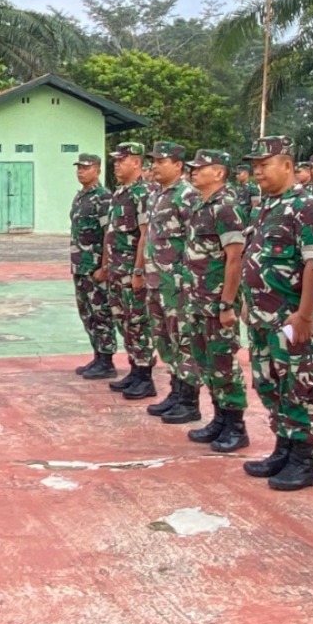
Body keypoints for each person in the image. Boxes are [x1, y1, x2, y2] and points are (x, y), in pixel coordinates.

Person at [239, 136, 313, 491]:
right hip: (262, 317)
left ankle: (304, 460)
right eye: (255, 165)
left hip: (290, 318)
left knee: (298, 386)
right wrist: (247, 300)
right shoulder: (265, 205)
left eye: (265, 164)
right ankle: (284, 447)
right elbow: (256, 254)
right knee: (269, 383)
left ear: (288, 165)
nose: (258, 171)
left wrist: (305, 315)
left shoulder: (306, 206)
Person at [182, 150, 250, 452]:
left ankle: (236, 425)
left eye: (201, 168)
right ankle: (220, 418)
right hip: (197, 300)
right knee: (206, 363)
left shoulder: (226, 207)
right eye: (193, 168)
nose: (194, 172)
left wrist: (227, 303)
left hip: (216, 302)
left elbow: (234, 258)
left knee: (224, 364)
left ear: (219, 173)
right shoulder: (200, 204)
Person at [137, 142, 204, 424]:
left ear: (178, 165)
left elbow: (195, 239)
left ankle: (189, 400)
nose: (155, 165)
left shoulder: (187, 195)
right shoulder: (157, 194)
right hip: (157, 281)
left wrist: (188, 279)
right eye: (153, 161)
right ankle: (176, 392)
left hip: (177, 284)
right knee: (165, 340)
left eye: (161, 161)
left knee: (184, 340)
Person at [101, 142, 158, 400]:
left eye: (120, 160)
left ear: (136, 162)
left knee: (138, 323)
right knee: (124, 322)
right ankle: (135, 370)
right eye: (114, 161)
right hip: (116, 271)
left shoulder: (143, 192)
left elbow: (145, 234)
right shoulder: (120, 193)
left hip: (130, 273)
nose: (116, 165)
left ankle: (145, 376)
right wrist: (105, 265)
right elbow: (111, 233)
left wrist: (138, 270)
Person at [69, 154, 118, 380]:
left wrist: (105, 267)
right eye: (79, 167)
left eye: (86, 168)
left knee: (101, 313)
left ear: (97, 170)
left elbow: (109, 233)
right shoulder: (80, 197)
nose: (81, 171)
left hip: (96, 266)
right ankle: (97, 355)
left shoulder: (104, 198)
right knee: (87, 313)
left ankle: (107, 360)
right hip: (80, 266)